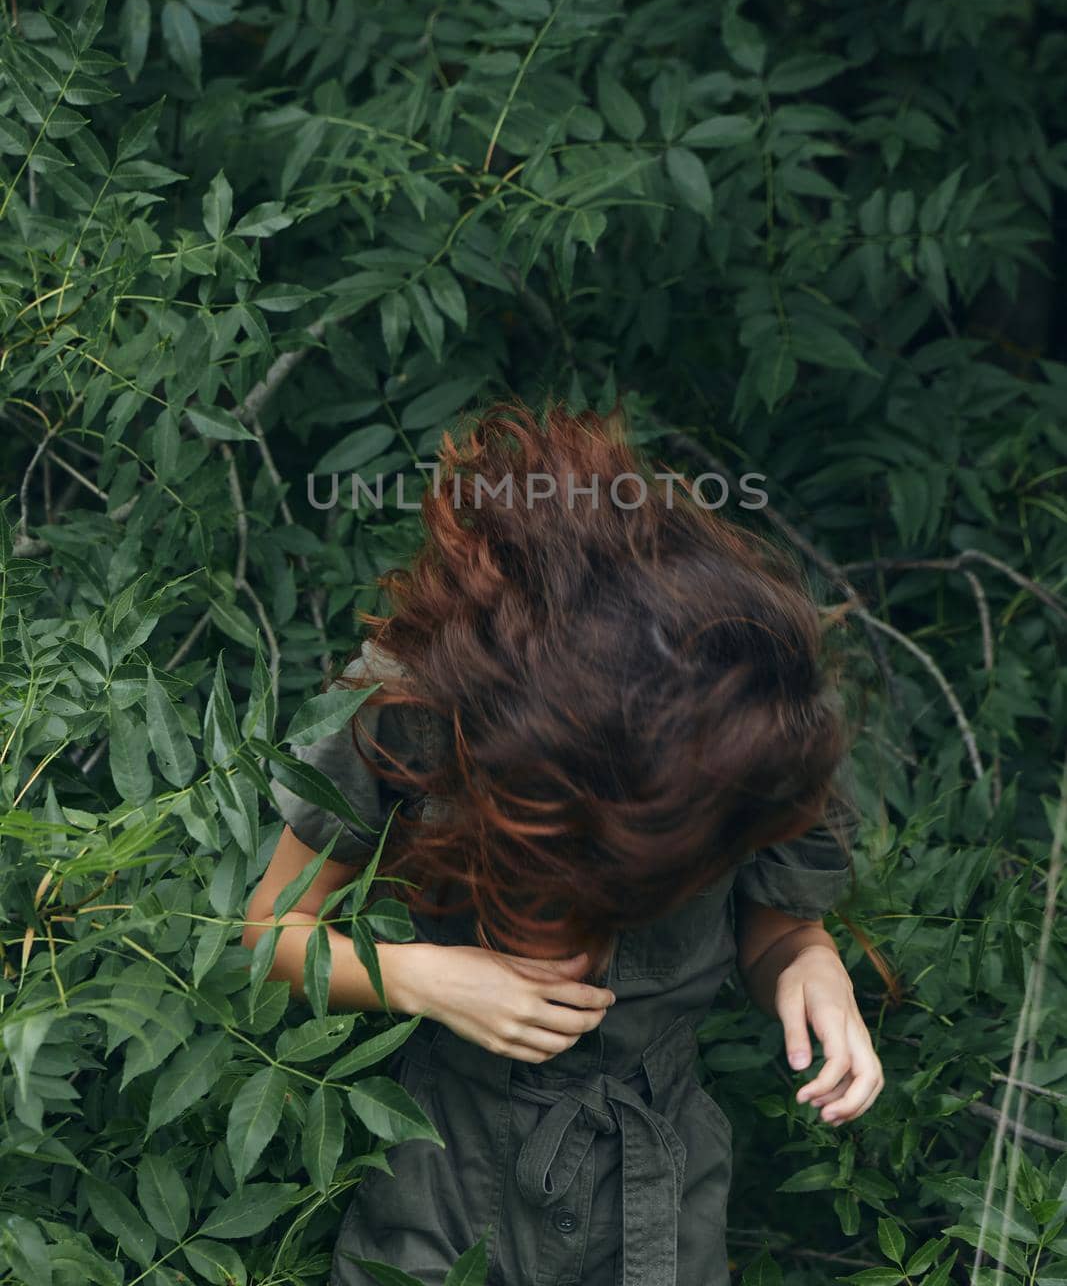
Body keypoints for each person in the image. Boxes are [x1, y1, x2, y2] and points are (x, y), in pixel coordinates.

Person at [243, 397, 884, 1286]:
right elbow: (271, 932)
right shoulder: (411, 704)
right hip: (440, 1169)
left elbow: (778, 931)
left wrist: (810, 964)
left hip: (659, 1188)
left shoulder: (747, 726)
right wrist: (425, 980)